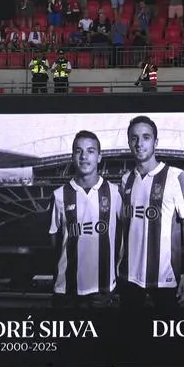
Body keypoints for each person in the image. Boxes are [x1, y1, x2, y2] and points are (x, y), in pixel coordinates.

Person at [119, 116, 184, 312]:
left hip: (165, 279)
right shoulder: (126, 180)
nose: (139, 143)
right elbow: (124, 228)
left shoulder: (175, 176)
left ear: (155, 142)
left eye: (146, 137)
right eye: (134, 138)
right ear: (129, 143)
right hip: (129, 278)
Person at [48, 130, 124, 309]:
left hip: (103, 288)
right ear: (72, 156)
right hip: (66, 289)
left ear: (99, 157)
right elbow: (54, 241)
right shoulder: (59, 195)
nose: (84, 156)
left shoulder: (114, 193)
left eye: (90, 151)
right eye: (78, 151)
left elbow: (124, 235)